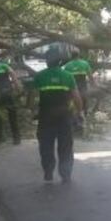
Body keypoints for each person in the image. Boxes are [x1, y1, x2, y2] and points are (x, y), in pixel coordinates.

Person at [34, 46, 83, 183]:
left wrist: (31, 110)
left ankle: (48, 172)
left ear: (47, 61)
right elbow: (77, 97)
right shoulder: (67, 76)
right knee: (66, 145)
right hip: (64, 116)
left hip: (45, 116)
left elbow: (32, 97)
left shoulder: (40, 76)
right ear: (60, 61)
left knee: (45, 145)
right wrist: (79, 112)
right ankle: (65, 174)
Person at [63, 51, 94, 118]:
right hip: (82, 83)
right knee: (84, 97)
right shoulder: (85, 63)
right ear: (78, 55)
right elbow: (90, 75)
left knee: (72, 98)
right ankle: (84, 113)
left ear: (71, 56)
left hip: (72, 84)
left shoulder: (68, 65)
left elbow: (65, 77)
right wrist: (92, 83)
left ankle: (72, 113)